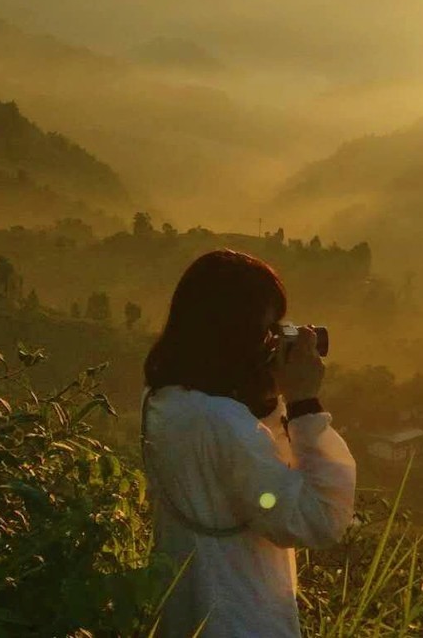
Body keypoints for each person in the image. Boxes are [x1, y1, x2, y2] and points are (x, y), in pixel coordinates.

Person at [141, 249, 356, 637]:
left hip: (187, 615)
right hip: (238, 621)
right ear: (233, 333)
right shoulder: (221, 423)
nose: (274, 341)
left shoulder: (163, 401)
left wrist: (270, 394)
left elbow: (245, 473)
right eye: (268, 330)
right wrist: (304, 401)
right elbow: (319, 518)